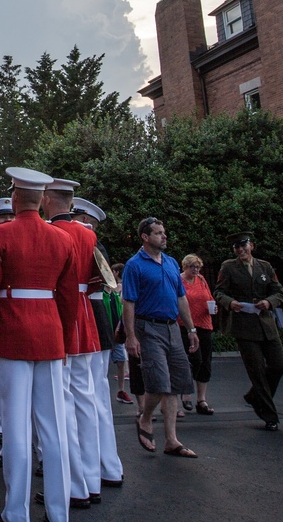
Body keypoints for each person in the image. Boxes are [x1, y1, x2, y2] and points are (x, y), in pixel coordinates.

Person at [0, 167, 78, 522]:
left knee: (17, 426)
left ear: (15, 198)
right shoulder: (62, 239)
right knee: (54, 427)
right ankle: (59, 511)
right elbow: (67, 300)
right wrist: (64, 340)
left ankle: (17, 513)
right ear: (43, 200)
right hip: (50, 333)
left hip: (12, 333)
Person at [44, 179, 101, 509]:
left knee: (62, 403)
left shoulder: (54, 233)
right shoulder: (88, 233)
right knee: (87, 397)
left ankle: (74, 484)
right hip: (85, 311)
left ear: (49, 200)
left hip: (60, 312)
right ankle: (91, 478)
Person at [122, 218, 199, 458]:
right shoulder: (134, 265)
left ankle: (171, 440)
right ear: (145, 237)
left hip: (172, 328)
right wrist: (131, 336)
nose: (164, 236)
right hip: (148, 327)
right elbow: (128, 302)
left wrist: (191, 329)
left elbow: (181, 298)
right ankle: (145, 418)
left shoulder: (171, 262)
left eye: (164, 232)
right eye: (158, 233)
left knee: (175, 383)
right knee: (159, 381)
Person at [72, 200, 124, 487]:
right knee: (98, 399)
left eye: (77, 217)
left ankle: (88, 470)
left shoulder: (88, 244)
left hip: (88, 319)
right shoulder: (95, 246)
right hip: (98, 322)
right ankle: (108, 466)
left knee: (86, 399)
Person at [214, 232, 283, 431]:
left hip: (266, 324)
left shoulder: (265, 266)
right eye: (237, 247)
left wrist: (269, 302)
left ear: (251, 246)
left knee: (278, 366)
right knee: (257, 372)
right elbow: (219, 292)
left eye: (243, 245)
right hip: (244, 327)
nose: (240, 250)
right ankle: (269, 415)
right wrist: (230, 303)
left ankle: (255, 397)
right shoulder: (228, 267)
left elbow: (278, 291)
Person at [179, 254, 216, 413]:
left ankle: (201, 400)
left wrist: (213, 307)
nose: (195, 270)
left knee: (206, 362)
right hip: (186, 324)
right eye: (192, 267)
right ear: (185, 267)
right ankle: (185, 392)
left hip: (204, 323)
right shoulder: (179, 280)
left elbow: (209, 297)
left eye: (197, 267)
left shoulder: (201, 279)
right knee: (194, 359)